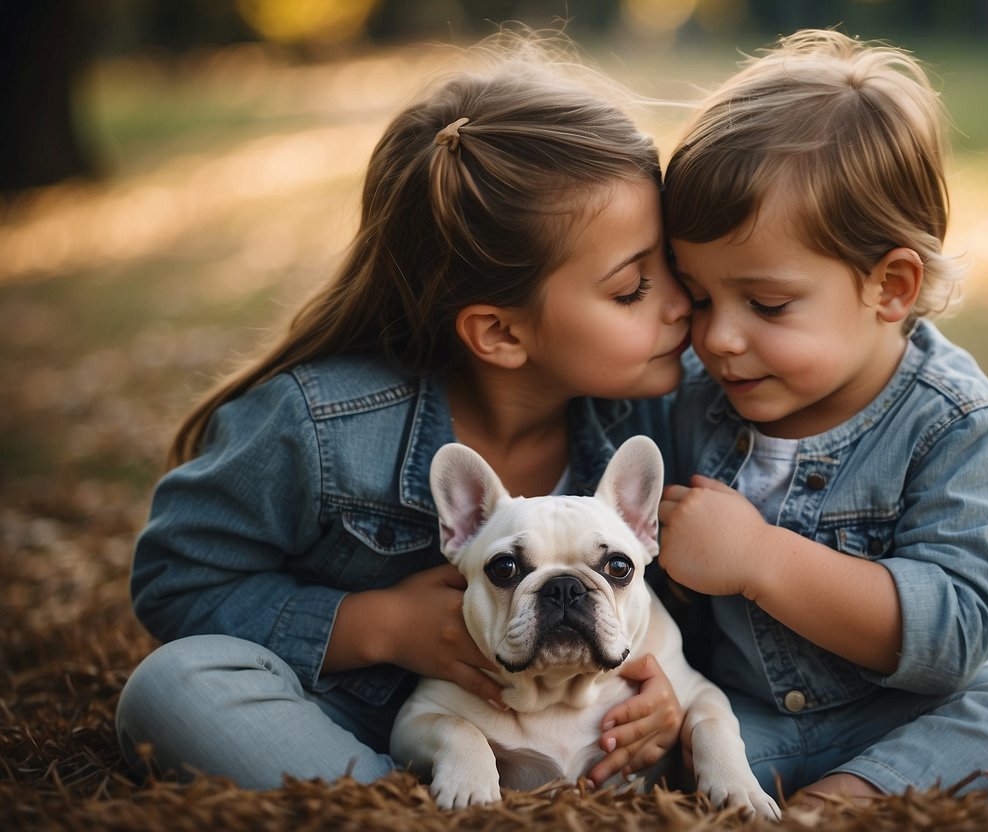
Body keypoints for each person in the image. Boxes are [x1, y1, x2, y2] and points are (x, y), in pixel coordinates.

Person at [114, 32, 692, 791]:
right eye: (631, 289)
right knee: (173, 685)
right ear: (500, 332)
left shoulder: (653, 420)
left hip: (574, 723)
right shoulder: (318, 425)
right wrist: (377, 626)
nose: (682, 304)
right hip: (342, 716)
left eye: (672, 266)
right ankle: (385, 798)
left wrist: (670, 697)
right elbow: (175, 581)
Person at [656, 29, 988, 808]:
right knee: (648, 733)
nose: (717, 337)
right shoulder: (686, 394)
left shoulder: (956, 422)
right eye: (698, 295)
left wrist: (760, 559)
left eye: (767, 303)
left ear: (889, 287)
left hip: (909, 714)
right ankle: (754, 784)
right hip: (736, 714)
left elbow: (955, 631)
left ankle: (839, 803)